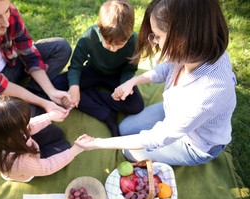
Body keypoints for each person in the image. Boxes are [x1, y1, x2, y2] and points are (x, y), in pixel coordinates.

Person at [74, 0, 237, 166]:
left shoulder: (208, 93)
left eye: (157, 36)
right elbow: (166, 68)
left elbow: (156, 138)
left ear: (183, 37)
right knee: (124, 129)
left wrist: (97, 143)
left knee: (129, 151)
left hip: (195, 143)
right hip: (174, 111)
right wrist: (132, 82)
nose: (155, 42)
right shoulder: (197, 50)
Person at [52, 0, 144, 136]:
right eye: (109, 44)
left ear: (130, 33)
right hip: (93, 71)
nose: (114, 50)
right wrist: (74, 86)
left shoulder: (134, 41)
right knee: (56, 85)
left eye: (120, 45)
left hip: (117, 77)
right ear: (99, 28)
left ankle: (92, 94)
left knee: (136, 105)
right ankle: (106, 114)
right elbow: (76, 64)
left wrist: (125, 84)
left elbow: (129, 69)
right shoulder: (90, 35)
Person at [0, 96, 86, 182]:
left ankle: (41, 148)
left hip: (28, 147)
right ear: (11, 136)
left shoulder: (0, 136)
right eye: (24, 125)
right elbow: (48, 166)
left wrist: (49, 117)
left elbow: (30, 126)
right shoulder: (18, 162)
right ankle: (46, 152)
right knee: (66, 146)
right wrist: (75, 151)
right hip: (30, 164)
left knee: (57, 132)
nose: (28, 124)